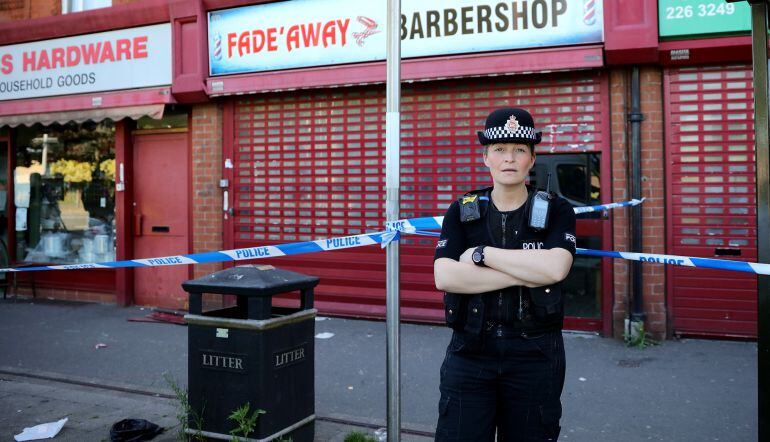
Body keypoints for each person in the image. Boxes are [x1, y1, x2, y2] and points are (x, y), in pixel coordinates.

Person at [433, 108, 577, 441]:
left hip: (535, 355)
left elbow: (556, 268)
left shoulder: (556, 209)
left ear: (532, 158)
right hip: (470, 353)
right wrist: (528, 272)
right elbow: (445, 276)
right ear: (486, 158)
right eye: (499, 150)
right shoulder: (463, 209)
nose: (508, 158)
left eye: (519, 150)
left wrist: (484, 256)